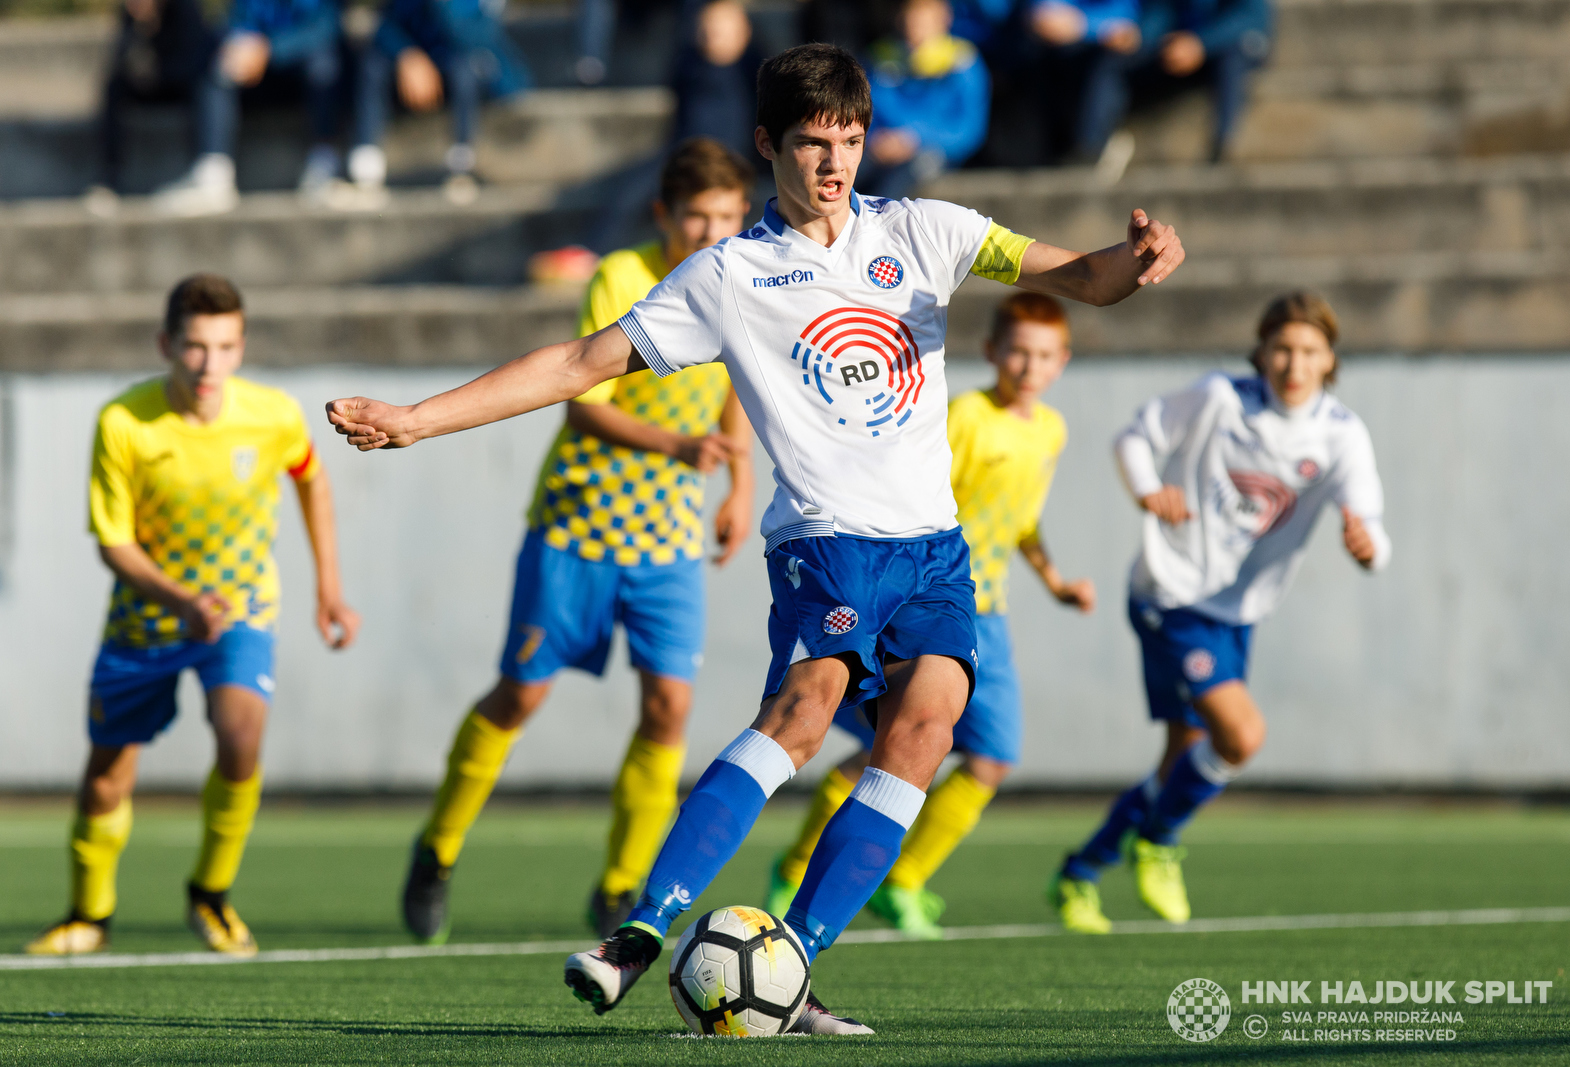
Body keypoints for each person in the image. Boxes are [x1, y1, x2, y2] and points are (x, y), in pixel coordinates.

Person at [326, 42, 1183, 1032]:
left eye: (851, 142)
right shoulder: (730, 275)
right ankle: (639, 929)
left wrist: (1140, 260)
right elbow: (575, 361)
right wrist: (416, 417)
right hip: (826, 537)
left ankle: (792, 964)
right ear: (766, 143)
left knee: (928, 725)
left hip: (935, 546)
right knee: (808, 711)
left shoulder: (931, 229)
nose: (835, 165)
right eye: (814, 144)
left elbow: (1083, 278)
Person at [397, 137, 757, 946]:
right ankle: (439, 847)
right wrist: (678, 450)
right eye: (697, 216)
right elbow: (581, 400)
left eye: (728, 217)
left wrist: (737, 487)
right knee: (521, 693)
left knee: (669, 705)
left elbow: (739, 381)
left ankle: (623, 885)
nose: (712, 231)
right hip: (578, 527)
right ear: (664, 214)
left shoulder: (742, 279)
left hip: (666, 541)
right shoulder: (622, 278)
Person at [26, 274, 361, 957]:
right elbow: (114, 543)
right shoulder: (124, 422)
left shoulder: (272, 415)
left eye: (226, 346)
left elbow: (311, 476)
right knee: (107, 774)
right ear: (166, 345)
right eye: (195, 347)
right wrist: (180, 601)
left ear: (242, 347)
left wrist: (329, 585)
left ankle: (211, 894)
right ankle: (89, 913)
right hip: (146, 622)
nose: (210, 365)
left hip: (240, 611)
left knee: (241, 735)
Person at [1053, 291, 1388, 935]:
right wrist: (1150, 490)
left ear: (1330, 360)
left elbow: (1370, 520)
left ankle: (1080, 872)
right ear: (1260, 352)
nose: (1294, 363)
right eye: (1282, 348)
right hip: (1170, 595)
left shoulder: (1341, 434)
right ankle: (1159, 842)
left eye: (1310, 351)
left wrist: (1367, 546)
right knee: (1240, 736)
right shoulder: (1218, 398)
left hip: (1239, 612)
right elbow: (1134, 437)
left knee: (1184, 757)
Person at [765, 290, 1095, 939]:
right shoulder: (965, 417)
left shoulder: (1050, 429)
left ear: (1062, 361)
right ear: (992, 351)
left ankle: (904, 879)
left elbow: (1021, 519)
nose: (1029, 367)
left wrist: (1055, 580)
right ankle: (799, 867)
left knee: (991, 756)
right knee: (885, 747)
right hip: (921, 601)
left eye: (1044, 355)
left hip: (985, 611)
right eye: (1018, 352)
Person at [153, 0, 346, 216]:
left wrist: (270, 50)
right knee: (220, 62)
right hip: (255, 75)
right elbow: (238, 19)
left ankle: (323, 165)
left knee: (324, 68)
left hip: (302, 71)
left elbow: (326, 29)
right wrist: (238, 44)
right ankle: (213, 174)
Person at [347, 0, 534, 206]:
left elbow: (471, 38)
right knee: (373, 66)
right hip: (413, 73)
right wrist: (408, 56)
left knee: (464, 71)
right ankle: (366, 166)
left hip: (464, 71)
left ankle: (461, 165)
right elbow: (386, 27)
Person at [1073, 0, 1273, 164]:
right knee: (1114, 61)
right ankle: (1090, 148)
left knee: (1233, 59)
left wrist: (1201, 44)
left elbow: (1250, 19)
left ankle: (1224, 145)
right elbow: (1161, 12)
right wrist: (1141, 37)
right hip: (1177, 46)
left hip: (1229, 47)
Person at [88, 0, 219, 212]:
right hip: (153, 87)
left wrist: (159, 72)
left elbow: (195, 61)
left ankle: (203, 169)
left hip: (183, 86)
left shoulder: (184, 9)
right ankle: (109, 180)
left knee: (207, 86)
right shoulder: (130, 15)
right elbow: (120, 59)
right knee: (115, 87)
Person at [857, 0, 990, 200]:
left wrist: (914, 139)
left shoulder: (963, 62)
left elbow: (969, 130)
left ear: (944, 20)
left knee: (893, 186)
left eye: (924, 21)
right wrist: (875, 139)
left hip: (932, 152)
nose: (916, 28)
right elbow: (865, 111)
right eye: (911, 19)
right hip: (880, 146)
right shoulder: (881, 59)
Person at [1028, 0, 1142, 164]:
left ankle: (1090, 152)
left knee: (1107, 66)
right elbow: (1041, 16)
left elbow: (1128, 30)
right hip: (1056, 50)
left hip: (1112, 55)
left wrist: (1084, 26)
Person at [670, 0, 763, 164]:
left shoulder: (757, 73)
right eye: (705, 29)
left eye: (720, 31)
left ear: (743, 32)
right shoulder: (687, 68)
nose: (711, 37)